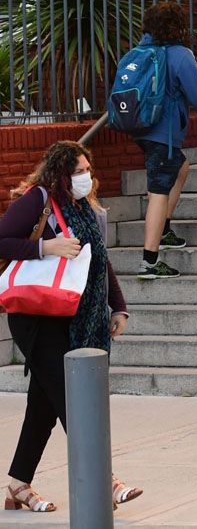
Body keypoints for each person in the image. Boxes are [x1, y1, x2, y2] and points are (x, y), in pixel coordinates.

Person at [0, 142, 141, 513]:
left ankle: (17, 484)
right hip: (36, 318)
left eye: (87, 170)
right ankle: (105, 480)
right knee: (72, 400)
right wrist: (47, 247)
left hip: (74, 318)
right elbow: (3, 239)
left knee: (44, 404)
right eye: (77, 171)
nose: (85, 177)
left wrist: (118, 306)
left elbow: (100, 262)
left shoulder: (86, 208)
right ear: (60, 173)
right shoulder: (38, 200)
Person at [135, 1, 197, 280]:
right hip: (164, 135)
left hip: (142, 129)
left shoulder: (140, 52)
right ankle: (149, 261)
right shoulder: (180, 55)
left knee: (180, 167)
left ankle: (165, 229)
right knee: (159, 191)